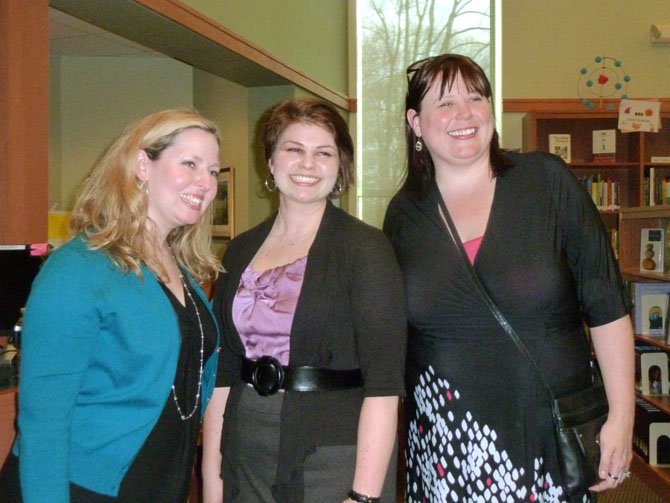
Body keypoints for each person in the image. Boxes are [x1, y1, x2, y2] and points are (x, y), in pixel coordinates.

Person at [383, 54, 635, 502]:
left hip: (544, 437)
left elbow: (606, 305)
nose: (464, 114)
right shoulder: (403, 216)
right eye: (444, 103)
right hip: (446, 442)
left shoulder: (545, 181)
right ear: (415, 123)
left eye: (476, 98)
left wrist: (622, 415)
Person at [0, 109, 223, 502]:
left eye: (213, 171)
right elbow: (43, 421)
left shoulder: (180, 268)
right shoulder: (80, 266)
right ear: (142, 164)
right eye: (189, 164)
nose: (204, 182)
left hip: (158, 483)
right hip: (79, 487)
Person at [202, 98, 406, 503]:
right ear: (272, 163)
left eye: (323, 153)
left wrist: (363, 497)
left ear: (340, 167)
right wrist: (211, 476)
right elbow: (222, 372)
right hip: (245, 448)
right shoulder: (240, 251)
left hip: (332, 455)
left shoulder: (366, 249)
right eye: (294, 149)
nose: (307, 164)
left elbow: (384, 384)